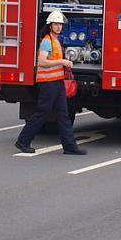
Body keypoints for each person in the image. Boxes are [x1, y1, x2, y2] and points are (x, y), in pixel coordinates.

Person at [15, 11, 86, 155]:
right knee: (42, 113)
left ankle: (70, 147)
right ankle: (23, 141)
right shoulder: (47, 41)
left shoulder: (57, 40)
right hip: (48, 83)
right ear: (50, 25)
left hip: (57, 82)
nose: (59, 27)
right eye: (56, 24)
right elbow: (42, 62)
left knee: (63, 115)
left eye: (60, 24)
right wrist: (62, 61)